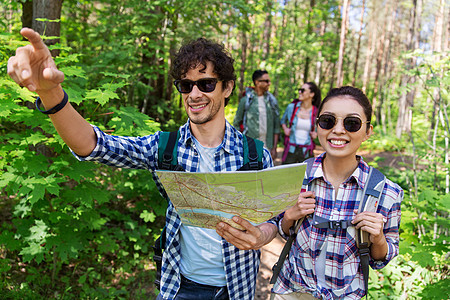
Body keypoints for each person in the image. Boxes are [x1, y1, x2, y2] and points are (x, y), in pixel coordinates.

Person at [7, 28, 279, 300]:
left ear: (227, 87)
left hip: (237, 290)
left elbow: (275, 218)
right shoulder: (164, 148)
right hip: (179, 288)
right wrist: (50, 92)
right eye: (186, 85)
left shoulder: (254, 155)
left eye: (206, 84)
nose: (194, 94)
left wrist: (264, 234)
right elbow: (93, 145)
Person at [272, 86, 403, 299]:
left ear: (368, 131)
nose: (339, 130)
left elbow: (381, 259)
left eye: (351, 123)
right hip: (291, 290)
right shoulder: (295, 177)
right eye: (328, 121)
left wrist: (377, 238)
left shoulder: (385, 192)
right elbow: (283, 229)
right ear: (317, 125)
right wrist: (288, 217)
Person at [233, 70, 281, 159]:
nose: (269, 83)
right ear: (257, 82)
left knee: (267, 173)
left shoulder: (272, 101)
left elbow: (276, 126)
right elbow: (236, 122)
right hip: (250, 147)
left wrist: (274, 147)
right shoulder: (246, 100)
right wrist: (240, 144)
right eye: (266, 81)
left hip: (267, 146)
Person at [281, 82, 321, 164]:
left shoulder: (316, 112)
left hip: (306, 150)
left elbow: (321, 127)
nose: (299, 92)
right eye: (299, 90)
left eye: (303, 90)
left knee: (305, 175)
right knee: (285, 174)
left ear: (311, 94)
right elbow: (283, 121)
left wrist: (316, 133)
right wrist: (285, 128)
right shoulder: (292, 107)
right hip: (291, 148)